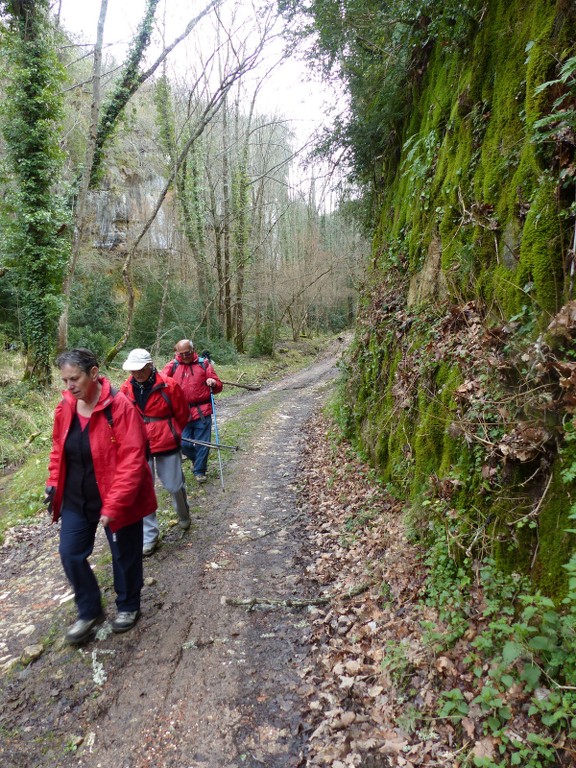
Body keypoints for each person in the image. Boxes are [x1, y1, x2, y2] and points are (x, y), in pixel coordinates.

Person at [46, 348, 157, 644]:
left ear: (94, 373)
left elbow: (133, 460)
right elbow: (58, 448)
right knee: (70, 553)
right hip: (76, 497)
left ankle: (129, 605)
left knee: (125, 555)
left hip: (118, 496)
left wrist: (114, 505)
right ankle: (90, 610)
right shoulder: (66, 406)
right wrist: (53, 482)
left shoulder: (120, 408)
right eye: (65, 379)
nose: (69, 386)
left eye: (75, 378)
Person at [121, 348, 191, 556]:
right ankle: (150, 537)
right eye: (133, 370)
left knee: (173, 485)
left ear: (150, 366)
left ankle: (184, 516)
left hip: (166, 441)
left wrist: (171, 432)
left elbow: (182, 414)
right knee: (143, 490)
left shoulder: (169, 386)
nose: (136, 374)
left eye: (140, 369)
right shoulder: (126, 389)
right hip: (139, 444)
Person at [162, 339, 223, 483]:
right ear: (177, 353)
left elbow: (218, 385)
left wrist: (213, 383)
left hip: (202, 411)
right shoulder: (172, 366)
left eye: (187, 353)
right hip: (181, 412)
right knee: (183, 443)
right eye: (181, 353)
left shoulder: (204, 364)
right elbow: (160, 384)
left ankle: (200, 471)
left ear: (193, 350)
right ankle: (198, 461)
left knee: (203, 443)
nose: (185, 356)